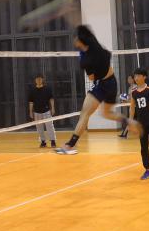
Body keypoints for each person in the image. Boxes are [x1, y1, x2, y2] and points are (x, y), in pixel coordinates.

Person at [56, 25, 137, 155]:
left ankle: (69, 145)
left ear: (80, 41)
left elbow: (92, 78)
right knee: (106, 113)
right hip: (112, 83)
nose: (74, 40)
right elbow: (85, 29)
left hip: (101, 85)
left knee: (85, 114)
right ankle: (127, 121)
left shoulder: (86, 61)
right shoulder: (94, 44)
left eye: (76, 38)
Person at [28, 75, 57, 149]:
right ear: (35, 80)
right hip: (37, 112)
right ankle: (43, 142)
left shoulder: (47, 89)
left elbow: (51, 99)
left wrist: (52, 108)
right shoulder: (32, 90)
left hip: (46, 111)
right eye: (37, 79)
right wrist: (31, 112)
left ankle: (53, 141)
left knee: (50, 126)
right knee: (39, 128)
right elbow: (31, 102)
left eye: (40, 79)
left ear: (42, 80)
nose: (38, 80)